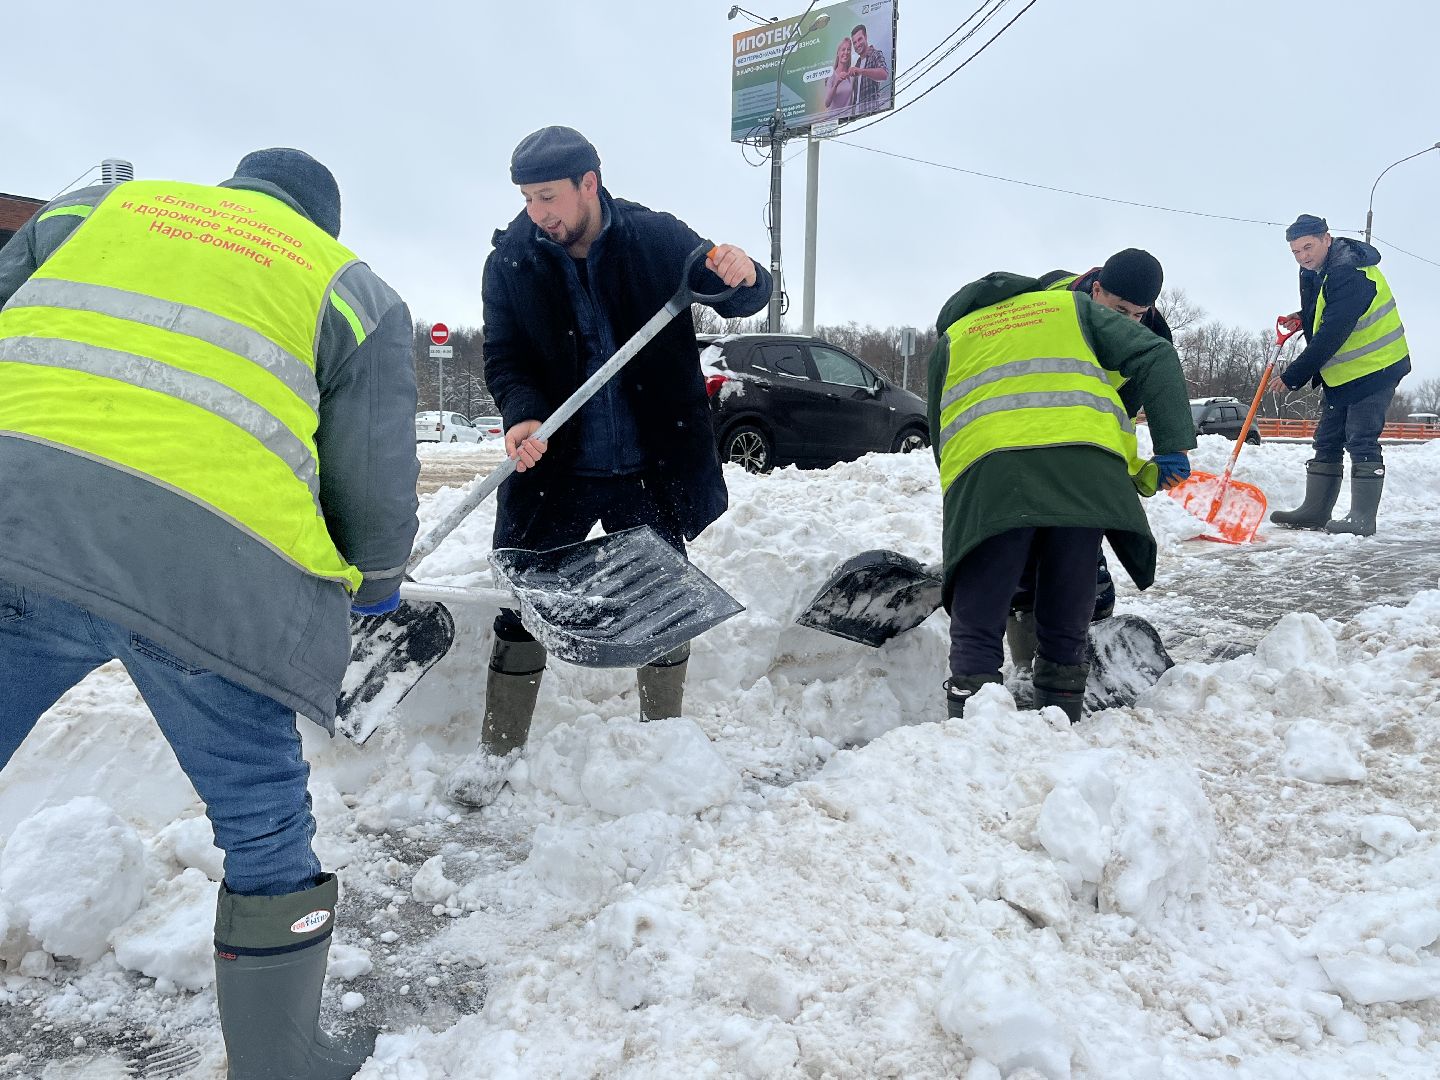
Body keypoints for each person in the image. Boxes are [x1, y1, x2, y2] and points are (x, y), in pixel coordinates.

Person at [0, 149, 419, 1080]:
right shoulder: (350, 289)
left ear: (233, 189)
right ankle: (280, 1058)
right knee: (261, 813)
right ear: (320, 223)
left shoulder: (98, 208)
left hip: (14, 522)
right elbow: (373, 481)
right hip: (205, 570)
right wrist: (379, 587)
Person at [446, 126, 771, 808]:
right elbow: (505, 356)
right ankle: (498, 752)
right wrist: (522, 416)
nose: (538, 212)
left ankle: (663, 743)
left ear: (588, 183)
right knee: (523, 605)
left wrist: (744, 272)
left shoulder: (653, 237)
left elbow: (729, 287)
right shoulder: (511, 261)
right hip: (556, 467)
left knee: (663, 604)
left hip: (649, 462)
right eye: (528, 199)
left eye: (548, 197)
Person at [928, 270, 1196, 723]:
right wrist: (1171, 446)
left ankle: (973, 723)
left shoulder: (951, 339)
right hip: (1083, 472)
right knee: (1070, 588)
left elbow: (941, 433)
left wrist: (962, 491)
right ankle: (1061, 713)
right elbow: (1153, 356)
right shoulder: (1069, 308)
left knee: (981, 604)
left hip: (992, 474)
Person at [1004, 248, 1173, 671]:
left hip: (1085, 439)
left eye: (1138, 314)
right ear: (1096, 289)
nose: (1129, 323)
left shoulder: (1152, 338)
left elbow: (1120, 414)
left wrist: (1139, 463)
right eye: (1119, 310)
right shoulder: (1050, 303)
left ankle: (1086, 656)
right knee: (1024, 552)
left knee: (1083, 556)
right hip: (1024, 427)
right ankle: (1027, 663)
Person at [1266, 214, 1410, 536]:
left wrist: (1292, 376)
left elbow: (1333, 332)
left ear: (1326, 239)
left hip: (1376, 367)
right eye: (1296, 251)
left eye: (1308, 247)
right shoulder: (1316, 269)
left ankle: (1362, 519)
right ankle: (1315, 511)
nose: (1303, 256)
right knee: (1327, 439)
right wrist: (1303, 317)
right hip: (1343, 372)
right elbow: (1326, 307)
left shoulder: (1350, 273)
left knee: (1360, 438)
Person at [847, 23, 891, 117]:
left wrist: (861, 71)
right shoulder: (857, 63)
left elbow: (884, 74)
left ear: (866, 37)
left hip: (871, 113)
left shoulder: (875, 54)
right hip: (856, 117)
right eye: (854, 42)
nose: (857, 44)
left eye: (860, 39)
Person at [823, 36, 855, 112]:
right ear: (838, 53)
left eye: (848, 50)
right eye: (843, 49)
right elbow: (827, 103)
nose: (846, 52)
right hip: (835, 118)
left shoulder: (851, 75)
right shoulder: (831, 75)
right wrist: (836, 83)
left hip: (849, 118)